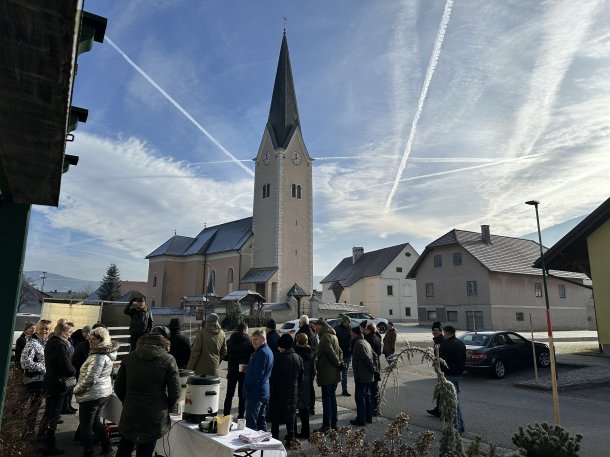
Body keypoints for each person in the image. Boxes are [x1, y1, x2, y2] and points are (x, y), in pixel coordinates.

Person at [114, 327, 181, 457]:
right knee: (146, 447)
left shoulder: (129, 358)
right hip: (155, 412)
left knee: (126, 442)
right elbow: (175, 391)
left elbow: (118, 387)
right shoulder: (168, 359)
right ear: (164, 344)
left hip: (131, 409)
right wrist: (168, 405)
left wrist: (127, 400)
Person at [74, 327, 118, 457]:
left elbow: (90, 379)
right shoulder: (106, 353)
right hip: (101, 393)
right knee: (94, 422)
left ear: (101, 341)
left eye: (93, 339)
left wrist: (76, 389)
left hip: (93, 395)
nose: (90, 342)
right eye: (90, 339)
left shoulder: (98, 356)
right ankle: (107, 446)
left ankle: (88, 452)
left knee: (85, 425)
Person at [41, 321, 76, 456]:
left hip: (50, 381)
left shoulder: (51, 342)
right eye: (69, 332)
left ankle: (41, 438)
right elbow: (66, 367)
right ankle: (49, 444)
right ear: (63, 332)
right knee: (54, 415)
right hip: (58, 384)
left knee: (48, 413)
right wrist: (74, 370)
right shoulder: (60, 345)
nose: (70, 335)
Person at [269, 334, 303, 447]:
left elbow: (272, 376)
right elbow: (301, 377)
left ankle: (275, 439)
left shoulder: (278, 358)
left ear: (282, 345)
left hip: (279, 391)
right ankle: (291, 438)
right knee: (291, 416)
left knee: (276, 417)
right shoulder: (298, 358)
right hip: (293, 390)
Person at [20, 320, 50, 440]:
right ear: (37, 329)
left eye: (47, 329)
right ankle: (28, 434)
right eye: (42, 329)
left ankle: (33, 433)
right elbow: (25, 362)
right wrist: (44, 368)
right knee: (33, 409)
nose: (45, 331)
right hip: (34, 381)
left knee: (38, 409)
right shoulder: (32, 342)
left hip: (43, 380)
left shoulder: (45, 343)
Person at [313, 318, 343, 432]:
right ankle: (334, 424)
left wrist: (338, 362)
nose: (315, 328)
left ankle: (327, 426)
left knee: (327, 400)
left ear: (321, 326)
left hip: (327, 373)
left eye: (316, 326)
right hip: (333, 373)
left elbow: (330, 353)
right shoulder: (333, 335)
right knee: (332, 399)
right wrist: (339, 362)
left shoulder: (325, 337)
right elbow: (339, 351)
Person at [243, 329, 274, 431]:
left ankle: (251, 447)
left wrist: (248, 386)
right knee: (261, 421)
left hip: (256, 392)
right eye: (252, 340)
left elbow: (257, 375)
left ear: (263, 340)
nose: (254, 342)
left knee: (251, 425)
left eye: (256, 339)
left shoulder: (261, 353)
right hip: (263, 391)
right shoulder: (267, 351)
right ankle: (265, 446)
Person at [438, 325, 466, 434]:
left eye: (444, 333)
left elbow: (442, 360)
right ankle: (454, 425)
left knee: (453, 401)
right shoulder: (460, 343)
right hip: (458, 373)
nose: (443, 335)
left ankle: (458, 426)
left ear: (447, 333)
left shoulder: (446, 344)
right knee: (453, 399)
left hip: (449, 374)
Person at [223, 323, 254, 418]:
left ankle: (226, 414)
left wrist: (231, 359)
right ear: (245, 330)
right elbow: (252, 355)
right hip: (243, 370)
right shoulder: (249, 341)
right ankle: (241, 415)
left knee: (229, 394)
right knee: (242, 394)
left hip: (232, 369)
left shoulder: (229, 341)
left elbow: (225, 356)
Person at [349, 326, 377, 426]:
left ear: (356, 333)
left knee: (360, 397)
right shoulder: (365, 342)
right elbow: (374, 356)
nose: (350, 334)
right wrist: (374, 369)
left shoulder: (359, 344)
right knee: (367, 396)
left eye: (351, 333)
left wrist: (374, 369)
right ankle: (368, 418)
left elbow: (368, 359)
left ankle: (361, 419)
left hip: (362, 375)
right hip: (367, 375)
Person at [294, 333, 315, 439]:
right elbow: (313, 370)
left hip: (298, 383)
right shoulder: (310, 353)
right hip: (307, 383)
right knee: (304, 409)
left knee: (294, 408)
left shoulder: (296, 353)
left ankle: (293, 433)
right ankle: (306, 431)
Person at [427, 321, 445, 418]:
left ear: (440, 331)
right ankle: (438, 409)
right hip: (439, 368)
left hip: (443, 369)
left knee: (442, 390)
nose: (434, 332)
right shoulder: (437, 340)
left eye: (437, 330)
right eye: (433, 330)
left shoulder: (441, 340)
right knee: (439, 390)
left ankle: (441, 410)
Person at [364, 323, 382, 416]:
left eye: (366, 329)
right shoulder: (377, 337)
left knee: (371, 388)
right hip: (377, 364)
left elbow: (369, 356)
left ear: (369, 330)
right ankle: (376, 407)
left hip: (372, 366)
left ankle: (373, 409)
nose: (364, 330)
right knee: (375, 388)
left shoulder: (368, 339)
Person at [334, 315, 352, 396]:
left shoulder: (350, 329)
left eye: (349, 322)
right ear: (343, 321)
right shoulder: (337, 329)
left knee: (345, 373)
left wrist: (350, 348)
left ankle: (345, 390)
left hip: (347, 355)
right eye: (347, 322)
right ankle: (333, 390)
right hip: (338, 354)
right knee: (336, 373)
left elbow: (351, 340)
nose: (348, 324)